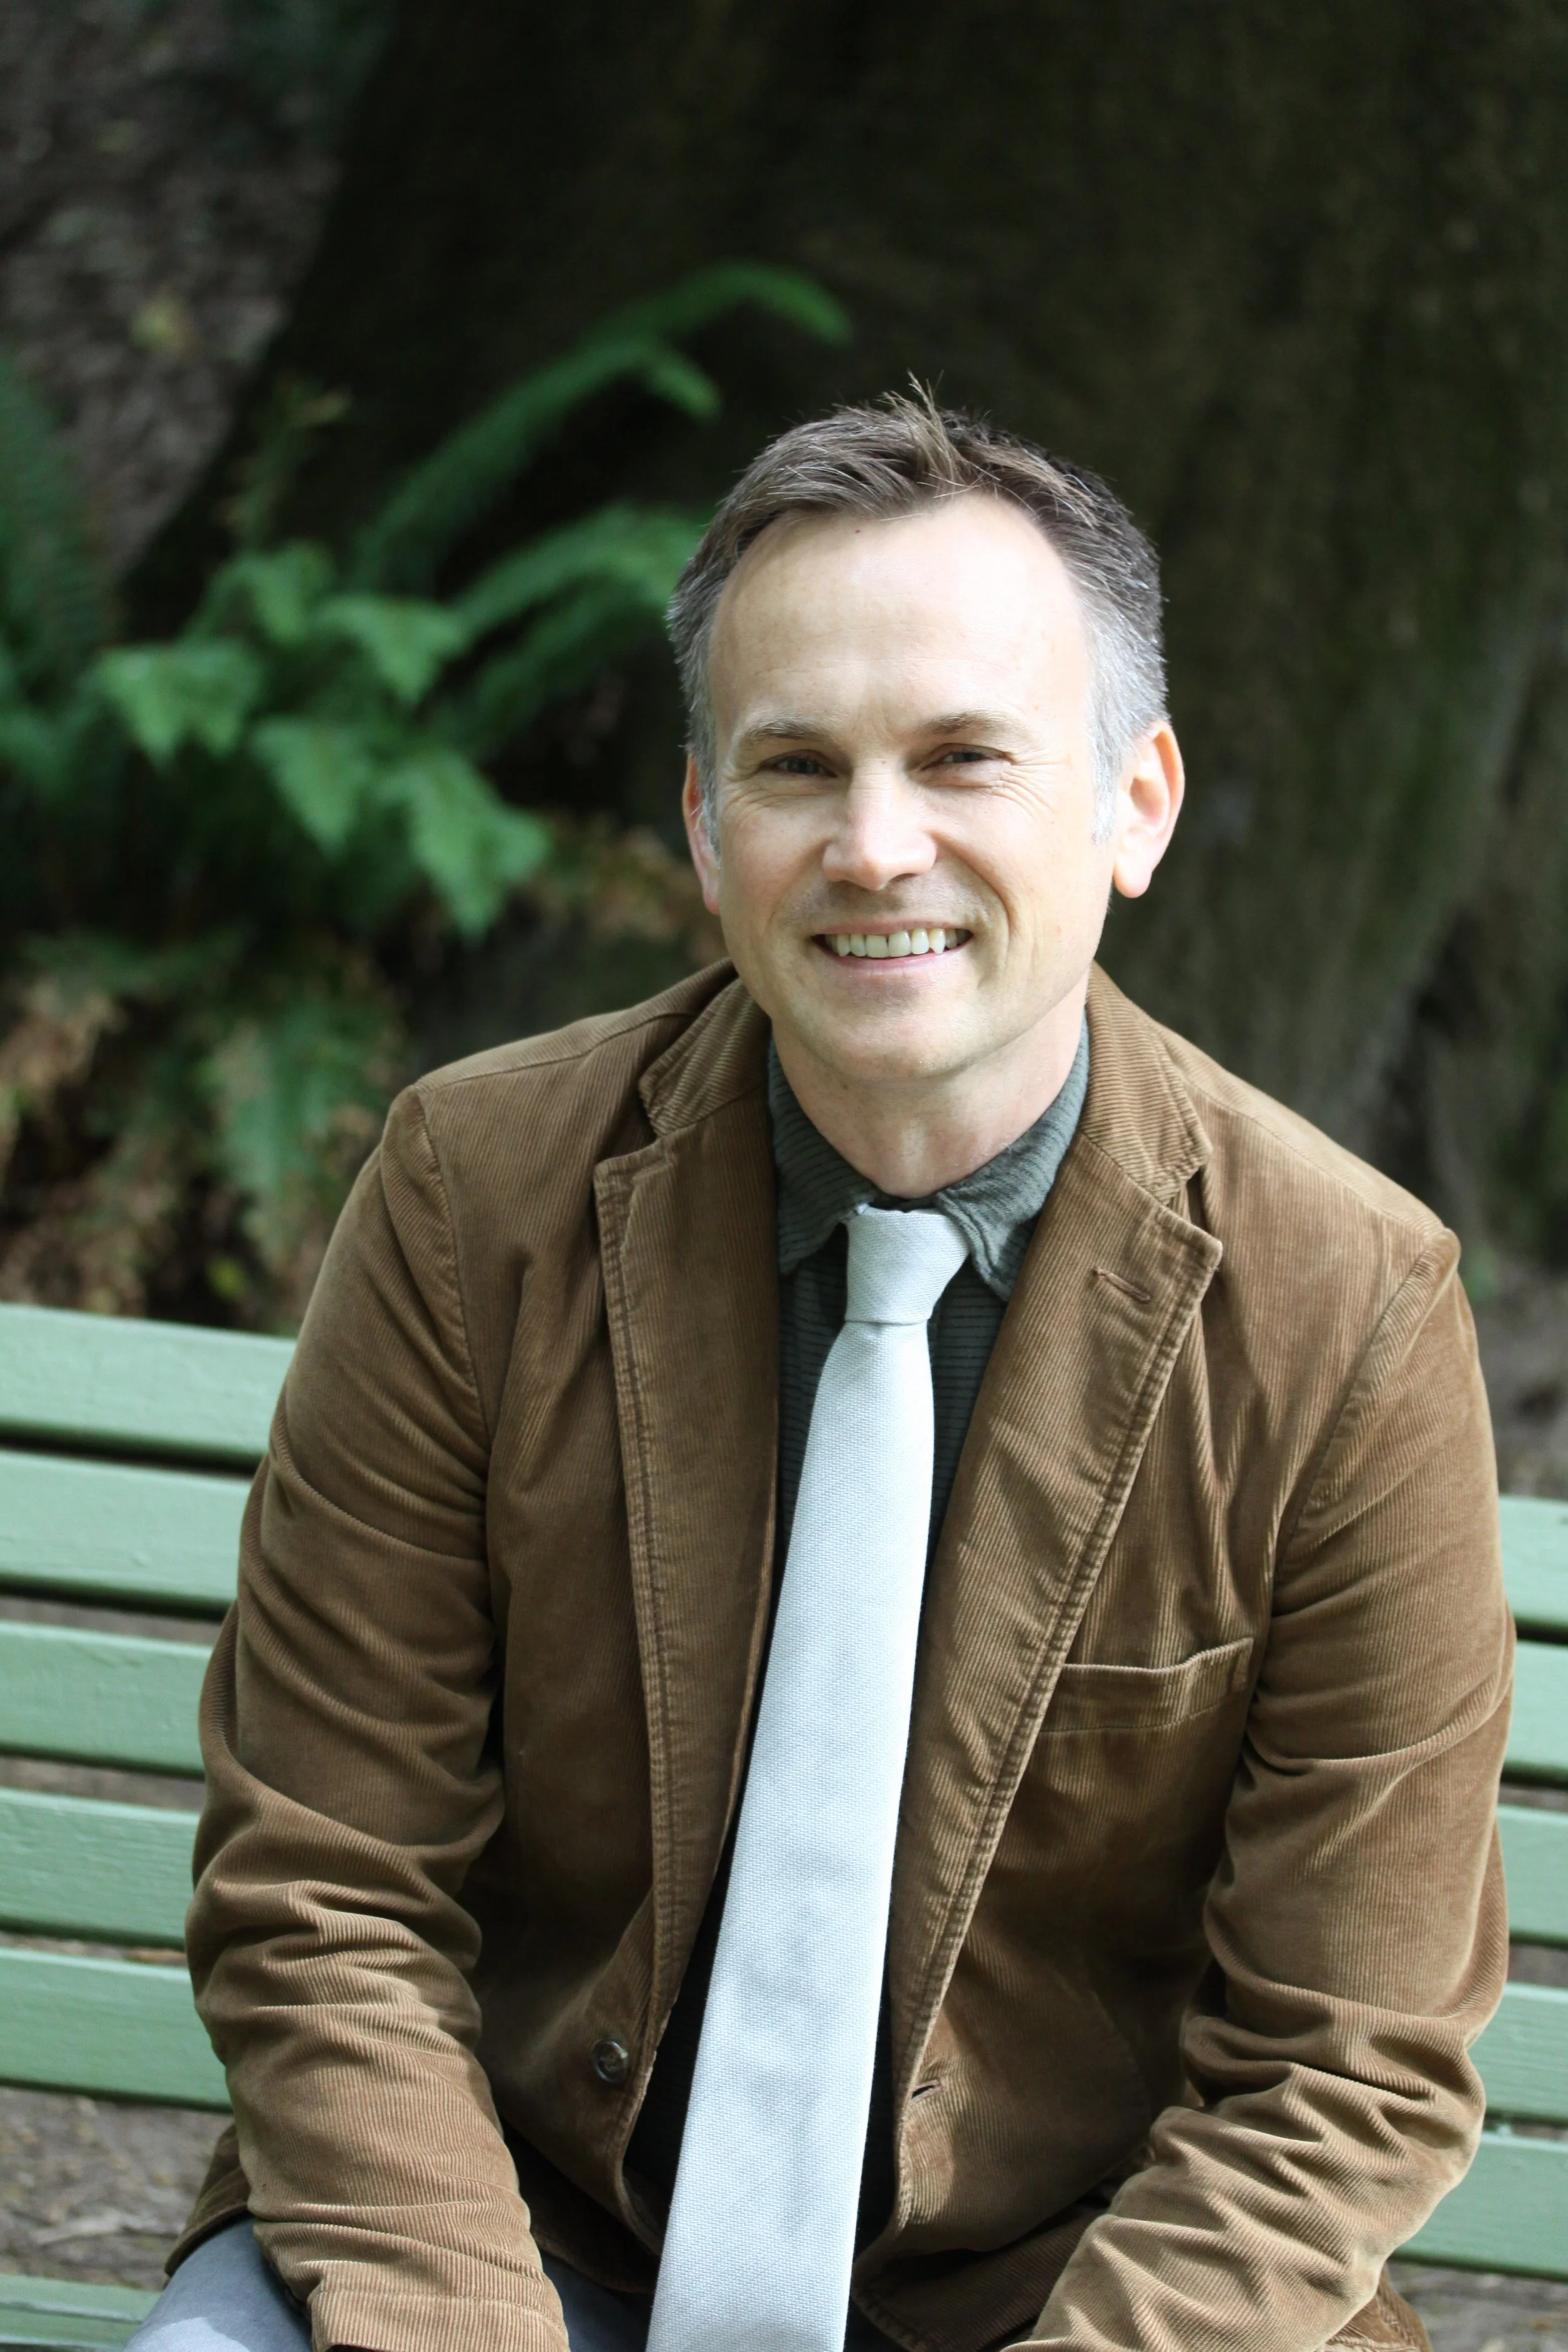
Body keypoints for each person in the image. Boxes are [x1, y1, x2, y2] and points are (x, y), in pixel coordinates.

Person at [131, 395, 1511, 2352]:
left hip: (1075, 2302)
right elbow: (325, 1892)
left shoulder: (1347, 1311)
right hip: (502, 2245)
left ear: (1133, 802)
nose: (875, 848)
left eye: (962, 757)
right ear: (707, 829)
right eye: (795, 766)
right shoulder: (472, 1195)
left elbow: (1341, 2066)